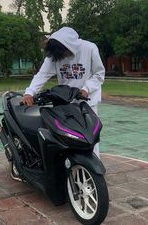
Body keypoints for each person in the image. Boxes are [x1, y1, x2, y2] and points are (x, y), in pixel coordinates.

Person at [22, 27, 105, 157]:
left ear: (69, 46)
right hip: (64, 102)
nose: (63, 56)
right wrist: (29, 92)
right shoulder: (55, 55)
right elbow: (42, 75)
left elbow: (99, 74)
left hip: (87, 102)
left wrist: (86, 89)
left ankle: (94, 169)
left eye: (64, 53)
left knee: (89, 137)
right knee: (66, 137)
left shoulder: (89, 48)